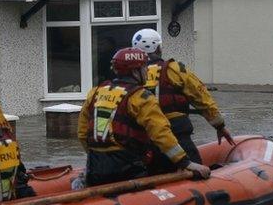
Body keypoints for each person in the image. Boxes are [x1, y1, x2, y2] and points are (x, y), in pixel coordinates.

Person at [77, 47, 211, 186]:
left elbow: (82, 132)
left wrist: (95, 155)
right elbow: (161, 134)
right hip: (127, 167)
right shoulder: (142, 97)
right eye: (144, 68)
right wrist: (186, 162)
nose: (147, 72)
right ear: (135, 72)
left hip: (95, 165)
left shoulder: (95, 93)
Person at [131, 28, 234, 172]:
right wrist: (220, 126)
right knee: (197, 172)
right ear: (159, 48)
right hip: (177, 132)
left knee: (154, 173)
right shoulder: (173, 69)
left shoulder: (132, 76)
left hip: (147, 136)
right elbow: (201, 97)